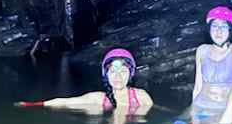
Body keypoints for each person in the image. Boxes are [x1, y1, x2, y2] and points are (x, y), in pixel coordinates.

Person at [15, 48, 153, 113]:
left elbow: (158, 112)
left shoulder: (141, 97)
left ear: (130, 74)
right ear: (106, 75)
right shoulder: (98, 99)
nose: (118, 77)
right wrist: (32, 104)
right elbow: (65, 102)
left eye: (123, 72)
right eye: (113, 72)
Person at [191, 6, 232, 110]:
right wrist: (193, 112)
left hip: (227, 108)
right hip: (202, 106)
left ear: (230, 30)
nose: (218, 31)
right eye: (214, 26)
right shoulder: (202, 50)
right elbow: (197, 87)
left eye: (223, 26)